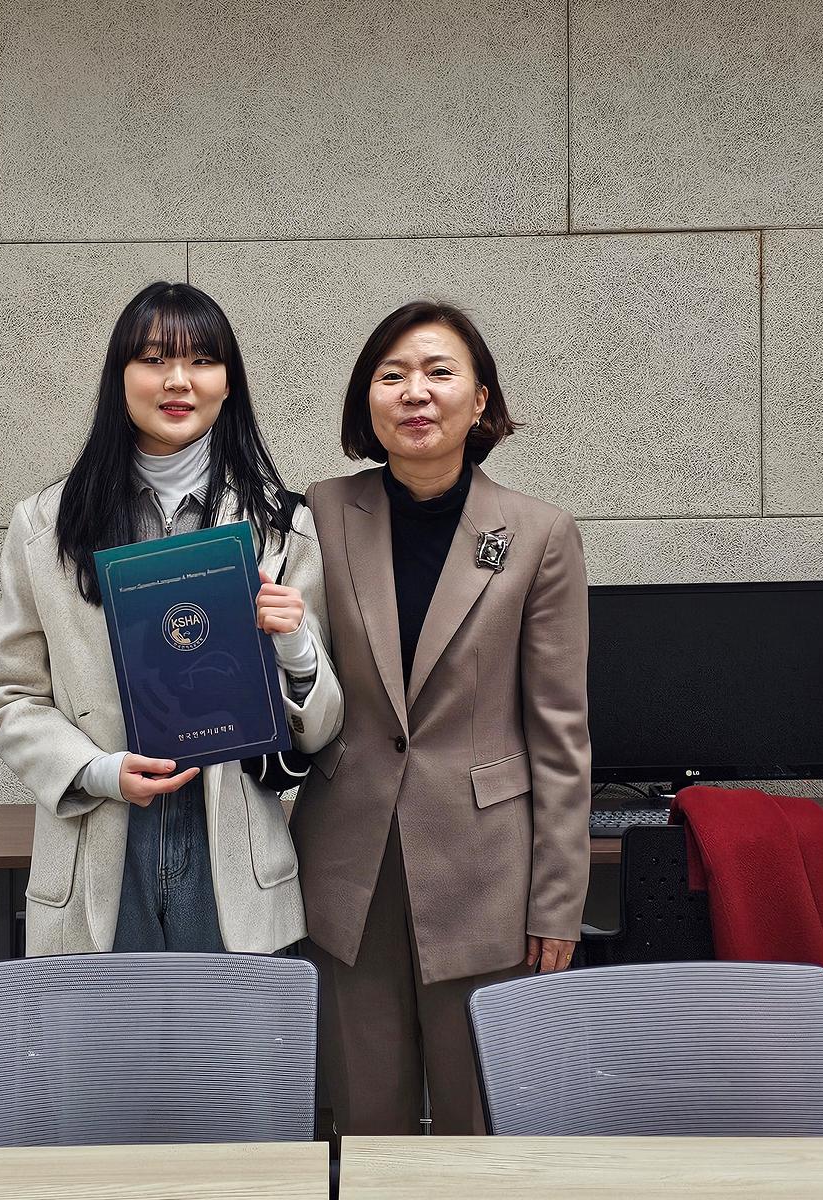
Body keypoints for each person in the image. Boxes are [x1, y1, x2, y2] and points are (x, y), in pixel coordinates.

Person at [293, 300, 591, 1135]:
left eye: (438, 372)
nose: (415, 392)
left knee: (480, 1124)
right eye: (391, 376)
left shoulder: (539, 534)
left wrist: (557, 902)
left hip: (486, 872)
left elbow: (560, 733)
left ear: (480, 398)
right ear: (367, 403)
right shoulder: (319, 512)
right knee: (364, 1121)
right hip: (347, 865)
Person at [0, 281, 343, 956]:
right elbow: (9, 696)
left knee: (229, 1029)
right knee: (104, 1029)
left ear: (228, 382)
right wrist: (96, 770)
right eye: (153, 359)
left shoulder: (283, 527)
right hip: (102, 839)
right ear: (120, 378)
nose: (179, 380)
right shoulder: (46, 526)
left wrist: (295, 644)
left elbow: (319, 730)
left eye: (203, 360)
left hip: (231, 853)